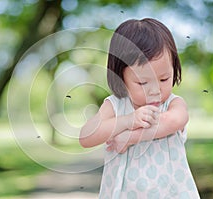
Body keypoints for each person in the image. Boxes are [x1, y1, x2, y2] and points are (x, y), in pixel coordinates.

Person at [79, 18, 200, 198]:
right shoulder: (116, 106)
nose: (155, 90)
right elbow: (86, 136)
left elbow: (175, 120)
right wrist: (128, 120)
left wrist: (130, 137)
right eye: (143, 82)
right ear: (120, 78)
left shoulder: (173, 104)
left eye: (164, 79)